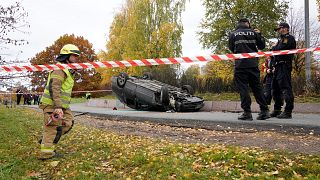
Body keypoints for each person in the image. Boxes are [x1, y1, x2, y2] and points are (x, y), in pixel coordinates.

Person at [38, 44, 81, 159]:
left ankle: (46, 140)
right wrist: (58, 106)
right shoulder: (59, 69)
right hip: (52, 105)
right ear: (66, 56)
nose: (76, 58)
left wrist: (62, 106)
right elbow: (54, 88)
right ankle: (46, 153)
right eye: (74, 55)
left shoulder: (67, 70)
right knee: (52, 128)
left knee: (68, 123)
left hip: (62, 106)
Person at [228, 18, 270, 120]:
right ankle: (264, 111)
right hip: (253, 64)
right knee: (257, 88)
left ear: (239, 24)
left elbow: (231, 48)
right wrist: (259, 35)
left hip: (240, 65)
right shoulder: (254, 33)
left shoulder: (233, 34)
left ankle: (247, 113)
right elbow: (262, 46)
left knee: (243, 89)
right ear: (247, 23)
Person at [271, 22, 296, 119]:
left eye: (280, 29)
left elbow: (280, 48)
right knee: (275, 89)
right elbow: (275, 52)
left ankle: (288, 111)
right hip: (277, 66)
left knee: (285, 88)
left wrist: (274, 47)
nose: (278, 31)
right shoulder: (280, 40)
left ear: (285, 28)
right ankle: (277, 109)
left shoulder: (288, 38)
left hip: (284, 66)